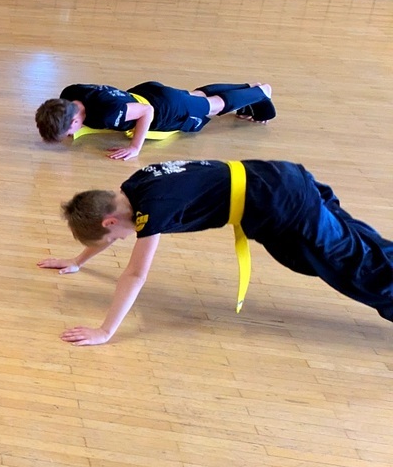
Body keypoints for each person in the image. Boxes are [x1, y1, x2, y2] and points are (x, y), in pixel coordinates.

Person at [41, 160, 393, 345]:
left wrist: (105, 331)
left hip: (280, 204)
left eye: (115, 236)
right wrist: (77, 261)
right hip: (282, 177)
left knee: (357, 269)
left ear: (109, 221)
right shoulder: (135, 184)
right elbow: (106, 231)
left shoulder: (153, 209)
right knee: (366, 248)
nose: (120, 240)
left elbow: (135, 274)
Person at [35, 81, 276, 161]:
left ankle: (261, 91)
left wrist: (134, 148)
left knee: (212, 106)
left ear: (74, 120)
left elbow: (146, 112)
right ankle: (248, 88)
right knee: (197, 96)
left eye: (68, 131)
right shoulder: (70, 93)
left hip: (163, 109)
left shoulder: (107, 113)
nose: (69, 135)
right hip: (148, 91)